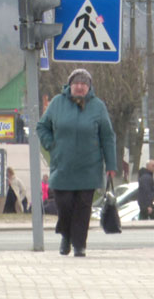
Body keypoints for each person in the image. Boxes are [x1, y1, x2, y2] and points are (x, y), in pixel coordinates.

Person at [37, 68, 117, 257]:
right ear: (70, 85)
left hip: (89, 168)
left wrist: (111, 165)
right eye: (76, 83)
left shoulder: (98, 107)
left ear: (89, 87)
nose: (80, 87)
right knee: (64, 205)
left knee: (82, 208)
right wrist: (51, 145)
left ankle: (79, 245)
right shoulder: (57, 103)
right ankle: (66, 236)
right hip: (62, 166)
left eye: (84, 84)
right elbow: (42, 127)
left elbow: (107, 137)